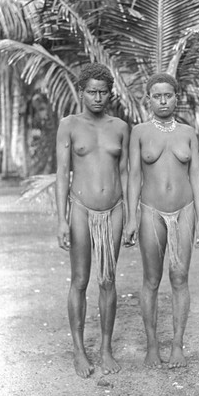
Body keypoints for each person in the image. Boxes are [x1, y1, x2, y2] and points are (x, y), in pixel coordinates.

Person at [125, 73, 199, 369]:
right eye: (157, 96)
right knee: (151, 279)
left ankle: (177, 345)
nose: (163, 101)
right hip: (150, 211)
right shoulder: (140, 132)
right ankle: (151, 346)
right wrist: (132, 218)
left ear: (176, 97)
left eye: (168, 95)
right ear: (148, 99)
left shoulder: (188, 132)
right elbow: (134, 175)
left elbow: (195, 174)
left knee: (180, 277)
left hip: (184, 210)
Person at [55, 63, 129, 378]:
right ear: (82, 92)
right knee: (80, 279)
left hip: (114, 208)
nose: (97, 97)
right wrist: (62, 220)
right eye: (91, 92)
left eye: (103, 91)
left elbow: (125, 173)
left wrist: (131, 217)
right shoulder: (69, 125)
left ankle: (106, 348)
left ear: (110, 92)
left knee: (108, 279)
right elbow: (62, 175)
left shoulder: (120, 127)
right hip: (81, 207)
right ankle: (79, 351)